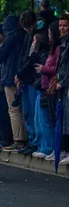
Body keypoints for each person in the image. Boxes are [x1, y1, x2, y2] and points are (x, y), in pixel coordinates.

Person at [0, 15, 28, 151]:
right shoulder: (24, 35)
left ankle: (18, 139)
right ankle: (26, 137)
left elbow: (1, 56)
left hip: (10, 76)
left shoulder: (10, 38)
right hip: (22, 75)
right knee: (23, 109)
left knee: (13, 109)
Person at [15, 11, 42, 155]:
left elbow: (31, 57)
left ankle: (35, 141)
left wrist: (20, 72)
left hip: (30, 78)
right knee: (27, 112)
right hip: (26, 78)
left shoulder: (34, 37)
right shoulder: (29, 36)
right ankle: (32, 140)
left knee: (31, 112)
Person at [34, 21, 61, 159]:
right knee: (46, 118)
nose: (49, 35)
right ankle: (51, 148)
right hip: (46, 86)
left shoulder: (57, 50)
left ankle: (53, 147)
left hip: (51, 87)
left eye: (50, 33)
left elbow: (56, 68)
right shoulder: (52, 49)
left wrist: (42, 69)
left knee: (50, 119)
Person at [54, 15, 69, 164]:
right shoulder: (63, 42)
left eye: (65, 25)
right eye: (60, 25)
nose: (62, 28)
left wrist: (62, 82)